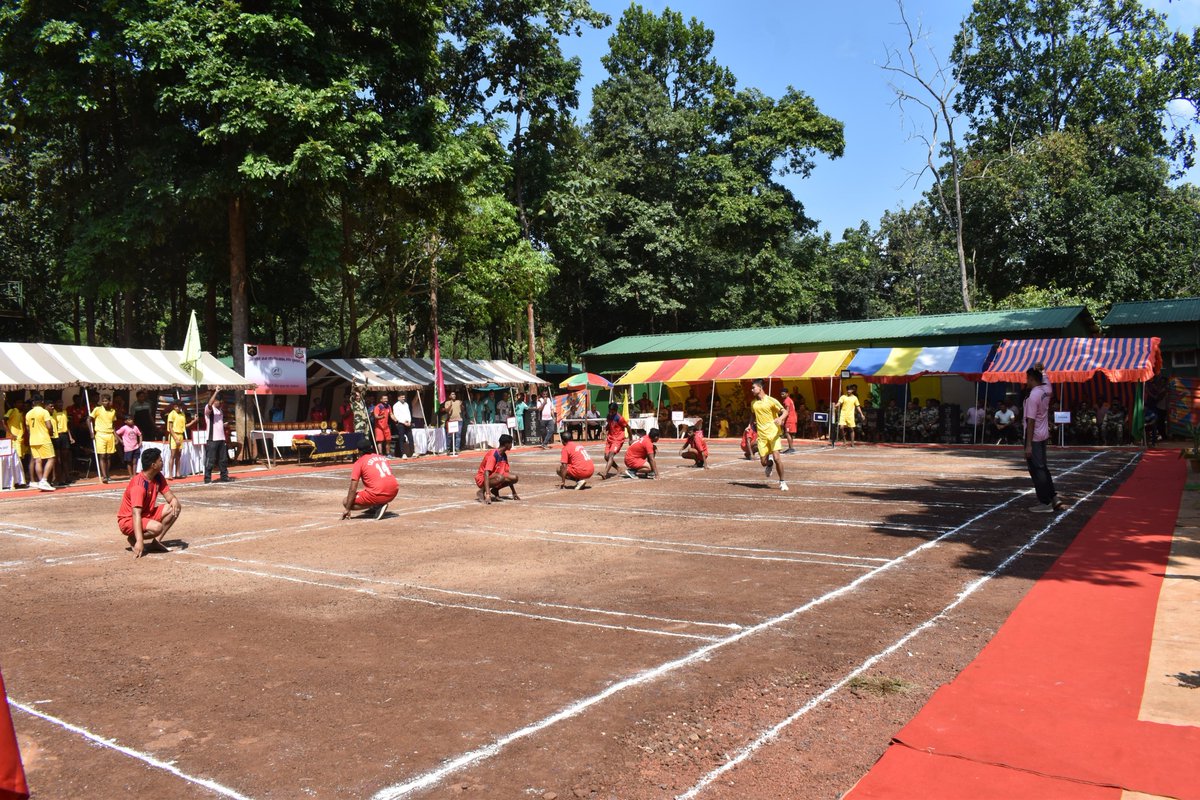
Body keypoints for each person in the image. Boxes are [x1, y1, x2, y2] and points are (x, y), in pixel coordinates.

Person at [118, 447, 181, 558]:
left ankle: (156, 542)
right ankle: (134, 538)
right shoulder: (139, 485)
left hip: (147, 514)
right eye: (160, 460)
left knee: (174, 507)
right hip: (128, 520)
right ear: (153, 465)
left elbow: (170, 497)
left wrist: (174, 500)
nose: (162, 462)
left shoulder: (158, 476)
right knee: (157, 528)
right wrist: (140, 541)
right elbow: (136, 514)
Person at [1024, 367, 1065, 513]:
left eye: (1027, 379)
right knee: (1043, 467)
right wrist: (1042, 370)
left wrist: (1028, 444)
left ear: (1031, 379)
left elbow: (1030, 421)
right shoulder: (1047, 390)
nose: (1026, 382)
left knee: (1037, 470)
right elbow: (1047, 380)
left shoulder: (1033, 396)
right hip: (1043, 435)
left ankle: (1045, 502)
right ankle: (1053, 497)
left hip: (1034, 437)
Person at [341, 439, 398, 520]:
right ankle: (377, 504)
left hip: (378, 493)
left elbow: (353, 488)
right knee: (369, 489)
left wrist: (347, 508)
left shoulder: (359, 462)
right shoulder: (381, 457)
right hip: (394, 490)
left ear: (359, 451)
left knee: (346, 502)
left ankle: (378, 505)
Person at [749, 378, 787, 490]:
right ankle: (769, 465)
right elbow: (752, 415)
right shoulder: (753, 403)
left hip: (774, 434)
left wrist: (780, 418)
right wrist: (749, 425)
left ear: (760, 388)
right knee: (763, 462)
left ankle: (782, 482)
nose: (751, 390)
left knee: (777, 458)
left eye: (753, 387)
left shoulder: (771, 400)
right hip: (762, 436)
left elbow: (785, 411)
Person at [475, 433, 520, 504]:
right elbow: (486, 473)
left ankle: (495, 490)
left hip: (496, 476)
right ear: (506, 444)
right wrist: (488, 494)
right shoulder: (493, 455)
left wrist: (514, 492)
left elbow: (507, 474)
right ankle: (482, 491)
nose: (512, 445)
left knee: (514, 478)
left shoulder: (504, 455)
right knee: (500, 477)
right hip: (482, 478)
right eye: (511, 443)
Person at [24, 394, 56, 492]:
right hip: (43, 438)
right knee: (51, 458)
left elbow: (28, 428)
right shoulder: (44, 412)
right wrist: (51, 433)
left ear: (33, 402)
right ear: (42, 402)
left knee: (38, 461)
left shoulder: (28, 413)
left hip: (33, 439)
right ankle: (44, 480)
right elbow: (49, 426)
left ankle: (41, 480)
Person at [203, 386, 232, 484]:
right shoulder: (209, 409)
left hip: (221, 438)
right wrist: (216, 392)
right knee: (210, 459)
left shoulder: (220, 411)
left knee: (223, 459)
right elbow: (209, 404)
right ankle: (207, 478)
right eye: (219, 401)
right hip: (212, 439)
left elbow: (217, 424)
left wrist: (223, 425)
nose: (221, 403)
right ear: (215, 401)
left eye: (221, 402)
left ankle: (224, 476)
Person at [89, 393, 118, 484]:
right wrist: (91, 432)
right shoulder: (97, 409)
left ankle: (107, 474)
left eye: (106, 401)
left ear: (109, 401)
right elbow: (88, 419)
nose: (105, 403)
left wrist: (116, 436)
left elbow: (113, 425)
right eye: (103, 401)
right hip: (100, 434)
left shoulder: (113, 411)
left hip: (110, 434)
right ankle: (104, 476)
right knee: (102, 455)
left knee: (109, 456)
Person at [598, 404, 630, 480]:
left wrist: (631, 439)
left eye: (612, 411)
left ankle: (605, 473)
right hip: (610, 438)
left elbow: (628, 427)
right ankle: (618, 468)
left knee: (611, 455)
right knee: (606, 457)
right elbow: (609, 425)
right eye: (610, 411)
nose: (610, 413)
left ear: (616, 411)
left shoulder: (620, 418)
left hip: (618, 439)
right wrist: (604, 430)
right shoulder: (608, 416)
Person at [164, 400, 192, 479]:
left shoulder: (182, 414)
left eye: (179, 406)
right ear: (174, 406)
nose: (178, 408)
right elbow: (170, 428)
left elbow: (184, 426)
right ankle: (170, 474)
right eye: (176, 406)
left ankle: (177, 473)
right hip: (174, 435)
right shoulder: (171, 414)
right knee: (172, 455)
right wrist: (175, 438)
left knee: (178, 455)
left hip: (180, 434)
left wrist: (193, 421)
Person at [48, 399, 72, 486]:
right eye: (58, 403)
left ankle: (67, 477)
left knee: (65, 458)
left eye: (61, 402)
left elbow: (67, 425)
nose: (60, 404)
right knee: (57, 459)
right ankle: (57, 478)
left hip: (64, 435)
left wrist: (70, 436)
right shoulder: (53, 412)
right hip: (56, 436)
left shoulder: (64, 412)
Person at [114, 415, 143, 479]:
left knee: (135, 462)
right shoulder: (124, 428)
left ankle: (134, 475)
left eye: (132, 419)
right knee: (129, 462)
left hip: (136, 447)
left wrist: (140, 442)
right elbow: (116, 433)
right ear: (125, 421)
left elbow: (140, 434)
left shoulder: (135, 427)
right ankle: (130, 475)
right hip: (128, 448)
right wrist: (120, 440)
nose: (131, 421)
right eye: (129, 420)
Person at [393, 393, 414, 459]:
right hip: (401, 424)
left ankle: (412, 452)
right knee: (401, 438)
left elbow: (408, 413)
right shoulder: (396, 405)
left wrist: (409, 421)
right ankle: (402, 453)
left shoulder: (406, 404)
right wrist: (403, 422)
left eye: (404, 397)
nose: (403, 398)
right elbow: (396, 415)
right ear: (398, 398)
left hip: (408, 423)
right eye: (402, 397)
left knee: (411, 438)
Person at [780, 388, 798, 453]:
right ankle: (791, 447)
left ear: (787, 394)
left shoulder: (786, 400)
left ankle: (791, 448)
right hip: (793, 418)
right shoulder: (790, 400)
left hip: (789, 419)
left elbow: (787, 411)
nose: (782, 395)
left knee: (787, 433)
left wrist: (783, 419)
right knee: (790, 433)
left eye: (783, 394)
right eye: (781, 394)